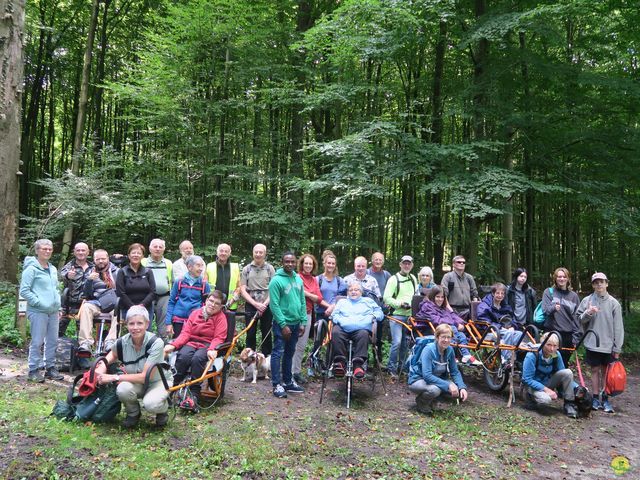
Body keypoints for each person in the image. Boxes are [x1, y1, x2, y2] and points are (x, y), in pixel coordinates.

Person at [95, 306, 172, 428]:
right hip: (136, 382)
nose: (135, 328)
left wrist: (113, 377)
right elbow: (112, 355)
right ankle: (133, 414)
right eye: (131, 323)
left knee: (151, 404)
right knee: (122, 389)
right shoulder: (122, 342)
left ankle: (162, 410)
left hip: (158, 381)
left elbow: (144, 377)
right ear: (127, 324)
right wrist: (102, 366)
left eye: (139, 323)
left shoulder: (156, 343)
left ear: (147, 324)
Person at [163, 290, 228, 409]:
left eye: (217, 303)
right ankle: (171, 388)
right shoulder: (195, 313)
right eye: (211, 301)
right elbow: (185, 333)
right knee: (183, 357)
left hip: (207, 345)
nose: (212, 305)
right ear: (206, 301)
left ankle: (194, 395)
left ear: (221, 306)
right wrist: (174, 345)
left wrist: (212, 349)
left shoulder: (221, 318)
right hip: (191, 342)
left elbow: (219, 337)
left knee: (197, 359)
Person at [577, 272, 624, 413]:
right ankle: (595, 397)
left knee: (606, 372)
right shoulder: (587, 300)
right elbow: (579, 320)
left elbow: (619, 327)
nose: (599, 284)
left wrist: (617, 348)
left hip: (608, 345)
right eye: (596, 282)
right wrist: (589, 312)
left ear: (606, 283)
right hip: (592, 342)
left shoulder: (614, 303)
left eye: (601, 282)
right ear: (593, 285)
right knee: (595, 370)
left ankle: (605, 398)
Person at [19, 239, 65, 382]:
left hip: (53, 311)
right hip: (38, 311)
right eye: (44, 249)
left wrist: (59, 306)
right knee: (37, 341)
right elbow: (24, 291)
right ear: (37, 250)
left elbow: (56, 289)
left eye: (50, 249)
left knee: (52, 340)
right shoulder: (31, 269)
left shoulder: (52, 269)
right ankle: (33, 369)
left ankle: (50, 368)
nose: (47, 251)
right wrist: (38, 302)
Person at [268, 252, 307, 398]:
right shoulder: (276, 281)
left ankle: (288, 381)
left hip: (296, 323)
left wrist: (303, 321)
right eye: (287, 261)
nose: (290, 264)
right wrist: (283, 324)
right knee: (278, 352)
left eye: (292, 261)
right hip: (282, 324)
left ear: (296, 262)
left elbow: (302, 301)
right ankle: (276, 384)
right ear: (282, 262)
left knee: (290, 352)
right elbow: (274, 305)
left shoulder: (298, 279)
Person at [407, 324, 468, 415]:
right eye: (443, 337)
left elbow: (455, 372)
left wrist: (462, 387)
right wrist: (448, 385)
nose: (446, 340)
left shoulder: (450, 350)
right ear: (437, 337)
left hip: (436, 378)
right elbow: (427, 376)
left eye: (449, 337)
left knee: (457, 392)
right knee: (435, 390)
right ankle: (421, 403)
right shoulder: (428, 350)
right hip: (418, 379)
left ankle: (433, 401)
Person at [415, 287, 482, 365]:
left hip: (443, 329)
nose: (440, 299)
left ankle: (466, 355)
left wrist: (462, 323)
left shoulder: (442, 308)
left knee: (461, 334)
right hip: (428, 329)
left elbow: (452, 316)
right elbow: (437, 321)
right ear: (432, 296)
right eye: (437, 297)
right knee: (451, 329)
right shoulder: (427, 306)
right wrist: (456, 325)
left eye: (442, 297)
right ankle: (450, 355)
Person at [293, 253, 332, 384]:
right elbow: (297, 293)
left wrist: (307, 294)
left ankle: (296, 372)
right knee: (291, 344)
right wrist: (311, 295)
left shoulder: (314, 280)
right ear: (302, 264)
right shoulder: (296, 277)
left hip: (308, 314)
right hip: (294, 314)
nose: (308, 265)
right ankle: (289, 372)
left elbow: (319, 298)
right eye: (306, 263)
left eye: (310, 263)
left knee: (301, 345)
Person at [330, 283, 383, 378]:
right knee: (335, 332)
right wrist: (340, 321)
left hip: (361, 328)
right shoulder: (342, 302)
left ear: (361, 292)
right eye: (351, 290)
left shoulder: (368, 301)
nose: (353, 292)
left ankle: (358, 365)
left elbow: (379, 313)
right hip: (343, 327)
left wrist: (374, 317)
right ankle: (340, 362)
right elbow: (334, 315)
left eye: (356, 290)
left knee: (363, 334)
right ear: (347, 292)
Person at [521, 332, 578, 418]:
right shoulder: (532, 355)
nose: (551, 349)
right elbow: (527, 379)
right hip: (532, 385)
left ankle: (569, 404)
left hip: (547, 382)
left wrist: (577, 388)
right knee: (546, 400)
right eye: (549, 345)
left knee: (568, 372)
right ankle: (530, 399)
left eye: (555, 346)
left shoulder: (555, 354)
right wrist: (546, 390)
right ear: (543, 344)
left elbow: (564, 374)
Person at [77, 249, 119, 354]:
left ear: (108, 258)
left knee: (118, 311)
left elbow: (122, 289)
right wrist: (89, 281)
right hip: (96, 302)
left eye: (103, 259)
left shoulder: (117, 271)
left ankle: (111, 341)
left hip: (112, 303)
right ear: (94, 260)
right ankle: (86, 343)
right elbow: (86, 294)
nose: (100, 261)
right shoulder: (90, 272)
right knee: (86, 307)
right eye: (98, 259)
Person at [383, 255, 418, 377]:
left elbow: (416, 295)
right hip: (396, 316)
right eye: (404, 263)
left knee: (405, 343)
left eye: (409, 263)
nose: (407, 265)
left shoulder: (413, 278)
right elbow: (386, 298)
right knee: (396, 342)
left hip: (409, 317)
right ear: (400, 264)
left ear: (412, 265)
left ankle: (402, 368)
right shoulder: (394, 279)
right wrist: (400, 304)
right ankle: (391, 368)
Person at [240, 243, 276, 356]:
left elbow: (274, 289)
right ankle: (250, 359)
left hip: (267, 305)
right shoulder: (247, 269)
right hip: (251, 305)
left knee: (266, 332)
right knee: (250, 333)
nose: (258, 254)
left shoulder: (270, 269)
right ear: (253, 253)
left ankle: (266, 359)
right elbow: (242, 289)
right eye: (256, 252)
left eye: (261, 252)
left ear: (265, 254)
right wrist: (255, 304)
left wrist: (264, 304)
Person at [541, 267, 581, 366]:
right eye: (559, 277)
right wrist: (554, 307)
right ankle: (547, 381)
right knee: (549, 361)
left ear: (568, 279)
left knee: (563, 363)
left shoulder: (574, 296)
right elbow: (545, 310)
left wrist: (576, 337)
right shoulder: (548, 292)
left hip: (567, 336)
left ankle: (561, 380)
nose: (561, 279)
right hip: (552, 333)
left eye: (564, 277)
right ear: (555, 278)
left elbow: (577, 318)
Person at [476, 283, 524, 363]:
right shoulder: (484, 305)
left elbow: (512, 319)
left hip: (503, 331)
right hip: (488, 332)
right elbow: (483, 321)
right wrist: (501, 327)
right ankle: (505, 359)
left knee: (519, 333)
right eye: (498, 293)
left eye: (502, 293)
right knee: (509, 333)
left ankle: (515, 358)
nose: (500, 295)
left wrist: (512, 326)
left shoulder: (505, 306)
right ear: (493, 293)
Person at [165, 255, 210, 339]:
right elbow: (171, 302)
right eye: (198, 265)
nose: (201, 269)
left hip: (195, 322)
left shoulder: (204, 284)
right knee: (176, 347)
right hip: (178, 321)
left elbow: (207, 305)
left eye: (202, 266)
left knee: (191, 346)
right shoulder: (179, 282)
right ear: (189, 267)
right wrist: (168, 323)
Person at [59, 242, 94, 337]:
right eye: (78, 250)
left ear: (88, 252)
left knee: (83, 333)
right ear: (74, 252)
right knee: (58, 330)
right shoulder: (69, 266)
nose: (80, 252)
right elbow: (62, 275)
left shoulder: (93, 268)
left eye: (83, 250)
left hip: (85, 305)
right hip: (68, 304)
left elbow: (105, 264)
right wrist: (68, 276)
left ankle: (82, 350)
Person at [142, 238, 173, 340]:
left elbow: (173, 280)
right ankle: (146, 343)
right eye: (155, 246)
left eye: (160, 247)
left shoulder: (168, 263)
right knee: (146, 320)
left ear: (164, 249)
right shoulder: (143, 262)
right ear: (150, 249)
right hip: (146, 296)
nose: (158, 249)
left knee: (163, 323)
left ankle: (164, 344)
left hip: (164, 296)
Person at [205, 243, 241, 332]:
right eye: (221, 251)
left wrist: (231, 302)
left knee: (229, 330)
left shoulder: (235, 267)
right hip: (213, 305)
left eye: (226, 251)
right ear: (217, 252)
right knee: (212, 330)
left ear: (229, 253)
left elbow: (239, 287)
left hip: (230, 305)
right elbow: (205, 286)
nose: (223, 253)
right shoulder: (209, 266)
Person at [116, 243, 156, 322]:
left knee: (146, 333)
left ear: (142, 256)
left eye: (139, 253)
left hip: (146, 308)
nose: (136, 255)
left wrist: (142, 305)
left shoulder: (148, 272)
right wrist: (132, 307)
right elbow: (120, 292)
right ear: (129, 255)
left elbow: (152, 292)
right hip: (127, 308)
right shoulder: (122, 271)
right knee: (132, 332)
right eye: (133, 253)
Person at [367, 252, 391, 361]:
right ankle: (364, 360)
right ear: (372, 260)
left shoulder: (386, 275)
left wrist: (388, 303)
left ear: (383, 261)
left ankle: (378, 361)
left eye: (380, 260)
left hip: (381, 310)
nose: (378, 261)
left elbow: (391, 291)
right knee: (365, 335)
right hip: (366, 310)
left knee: (378, 337)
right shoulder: (366, 273)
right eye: (376, 259)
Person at [440, 255, 478, 320]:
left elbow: (475, 295)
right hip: (453, 309)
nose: (462, 263)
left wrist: (475, 310)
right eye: (459, 262)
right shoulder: (448, 277)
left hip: (468, 310)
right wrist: (449, 309)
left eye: (463, 262)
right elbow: (443, 294)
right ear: (453, 264)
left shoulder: (469, 278)